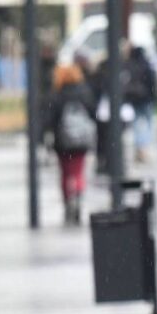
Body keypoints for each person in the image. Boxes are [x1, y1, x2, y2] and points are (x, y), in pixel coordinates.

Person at [45, 64, 96, 225]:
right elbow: (92, 112)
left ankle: (69, 201)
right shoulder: (84, 92)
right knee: (78, 171)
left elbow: (50, 119)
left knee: (66, 173)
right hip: (81, 141)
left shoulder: (57, 94)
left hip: (63, 142)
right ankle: (78, 195)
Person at [126, 45, 157, 163]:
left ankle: (140, 148)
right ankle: (143, 149)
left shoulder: (130, 66)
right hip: (147, 100)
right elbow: (153, 83)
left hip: (135, 101)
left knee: (136, 126)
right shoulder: (147, 66)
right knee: (148, 125)